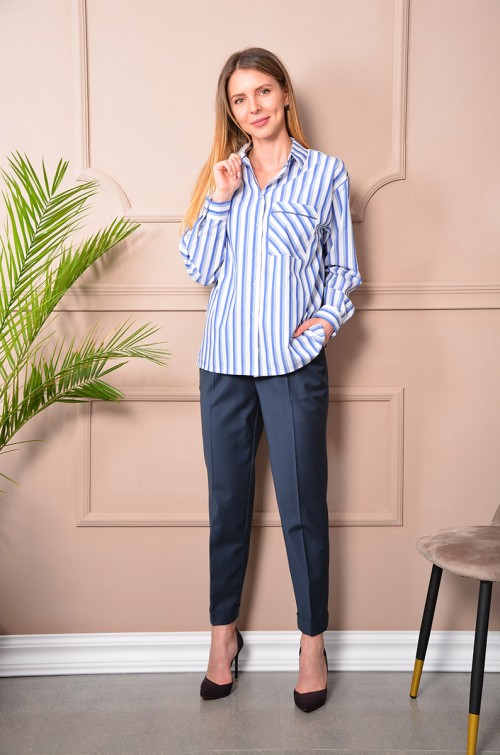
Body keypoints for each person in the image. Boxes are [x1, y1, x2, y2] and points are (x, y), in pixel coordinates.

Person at [179, 47, 361, 712]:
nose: (253, 107)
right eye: (239, 98)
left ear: (284, 93)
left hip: (292, 368)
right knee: (227, 504)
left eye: (262, 91)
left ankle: (312, 644)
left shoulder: (327, 174)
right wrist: (221, 200)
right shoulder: (221, 176)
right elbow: (199, 268)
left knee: (303, 509)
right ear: (230, 111)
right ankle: (221, 637)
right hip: (224, 365)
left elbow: (342, 269)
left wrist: (323, 324)